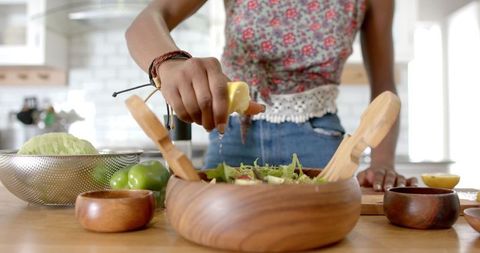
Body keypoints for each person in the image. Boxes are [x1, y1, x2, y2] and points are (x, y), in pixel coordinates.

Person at [125, 0, 417, 191]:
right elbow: (147, 20)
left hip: (319, 144)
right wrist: (168, 61)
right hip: (233, 136)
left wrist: (382, 163)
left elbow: (384, 88)